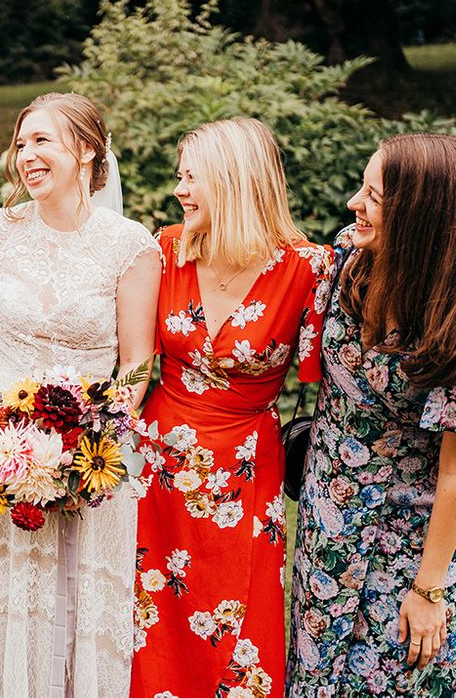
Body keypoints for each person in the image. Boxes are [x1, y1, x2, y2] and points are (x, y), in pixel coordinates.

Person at [0, 92, 161, 697]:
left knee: (73, 597)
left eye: (42, 141)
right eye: (21, 144)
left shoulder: (130, 245)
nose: (26, 157)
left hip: (90, 454)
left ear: (87, 150)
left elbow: (138, 363)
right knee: (0, 597)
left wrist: (87, 446)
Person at [130, 118, 333, 697]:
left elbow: (335, 378)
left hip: (246, 472)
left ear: (233, 180)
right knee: (153, 625)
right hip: (158, 469)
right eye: (179, 176)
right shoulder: (165, 250)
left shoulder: (308, 269)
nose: (179, 190)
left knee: (242, 631)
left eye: (191, 176)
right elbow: (126, 353)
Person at [287, 133, 456, 697]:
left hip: (409, 540)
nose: (353, 205)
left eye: (374, 196)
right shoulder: (349, 259)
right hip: (326, 522)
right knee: (313, 677)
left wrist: (429, 591)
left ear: (418, 214)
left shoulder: (449, 319)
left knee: (392, 676)